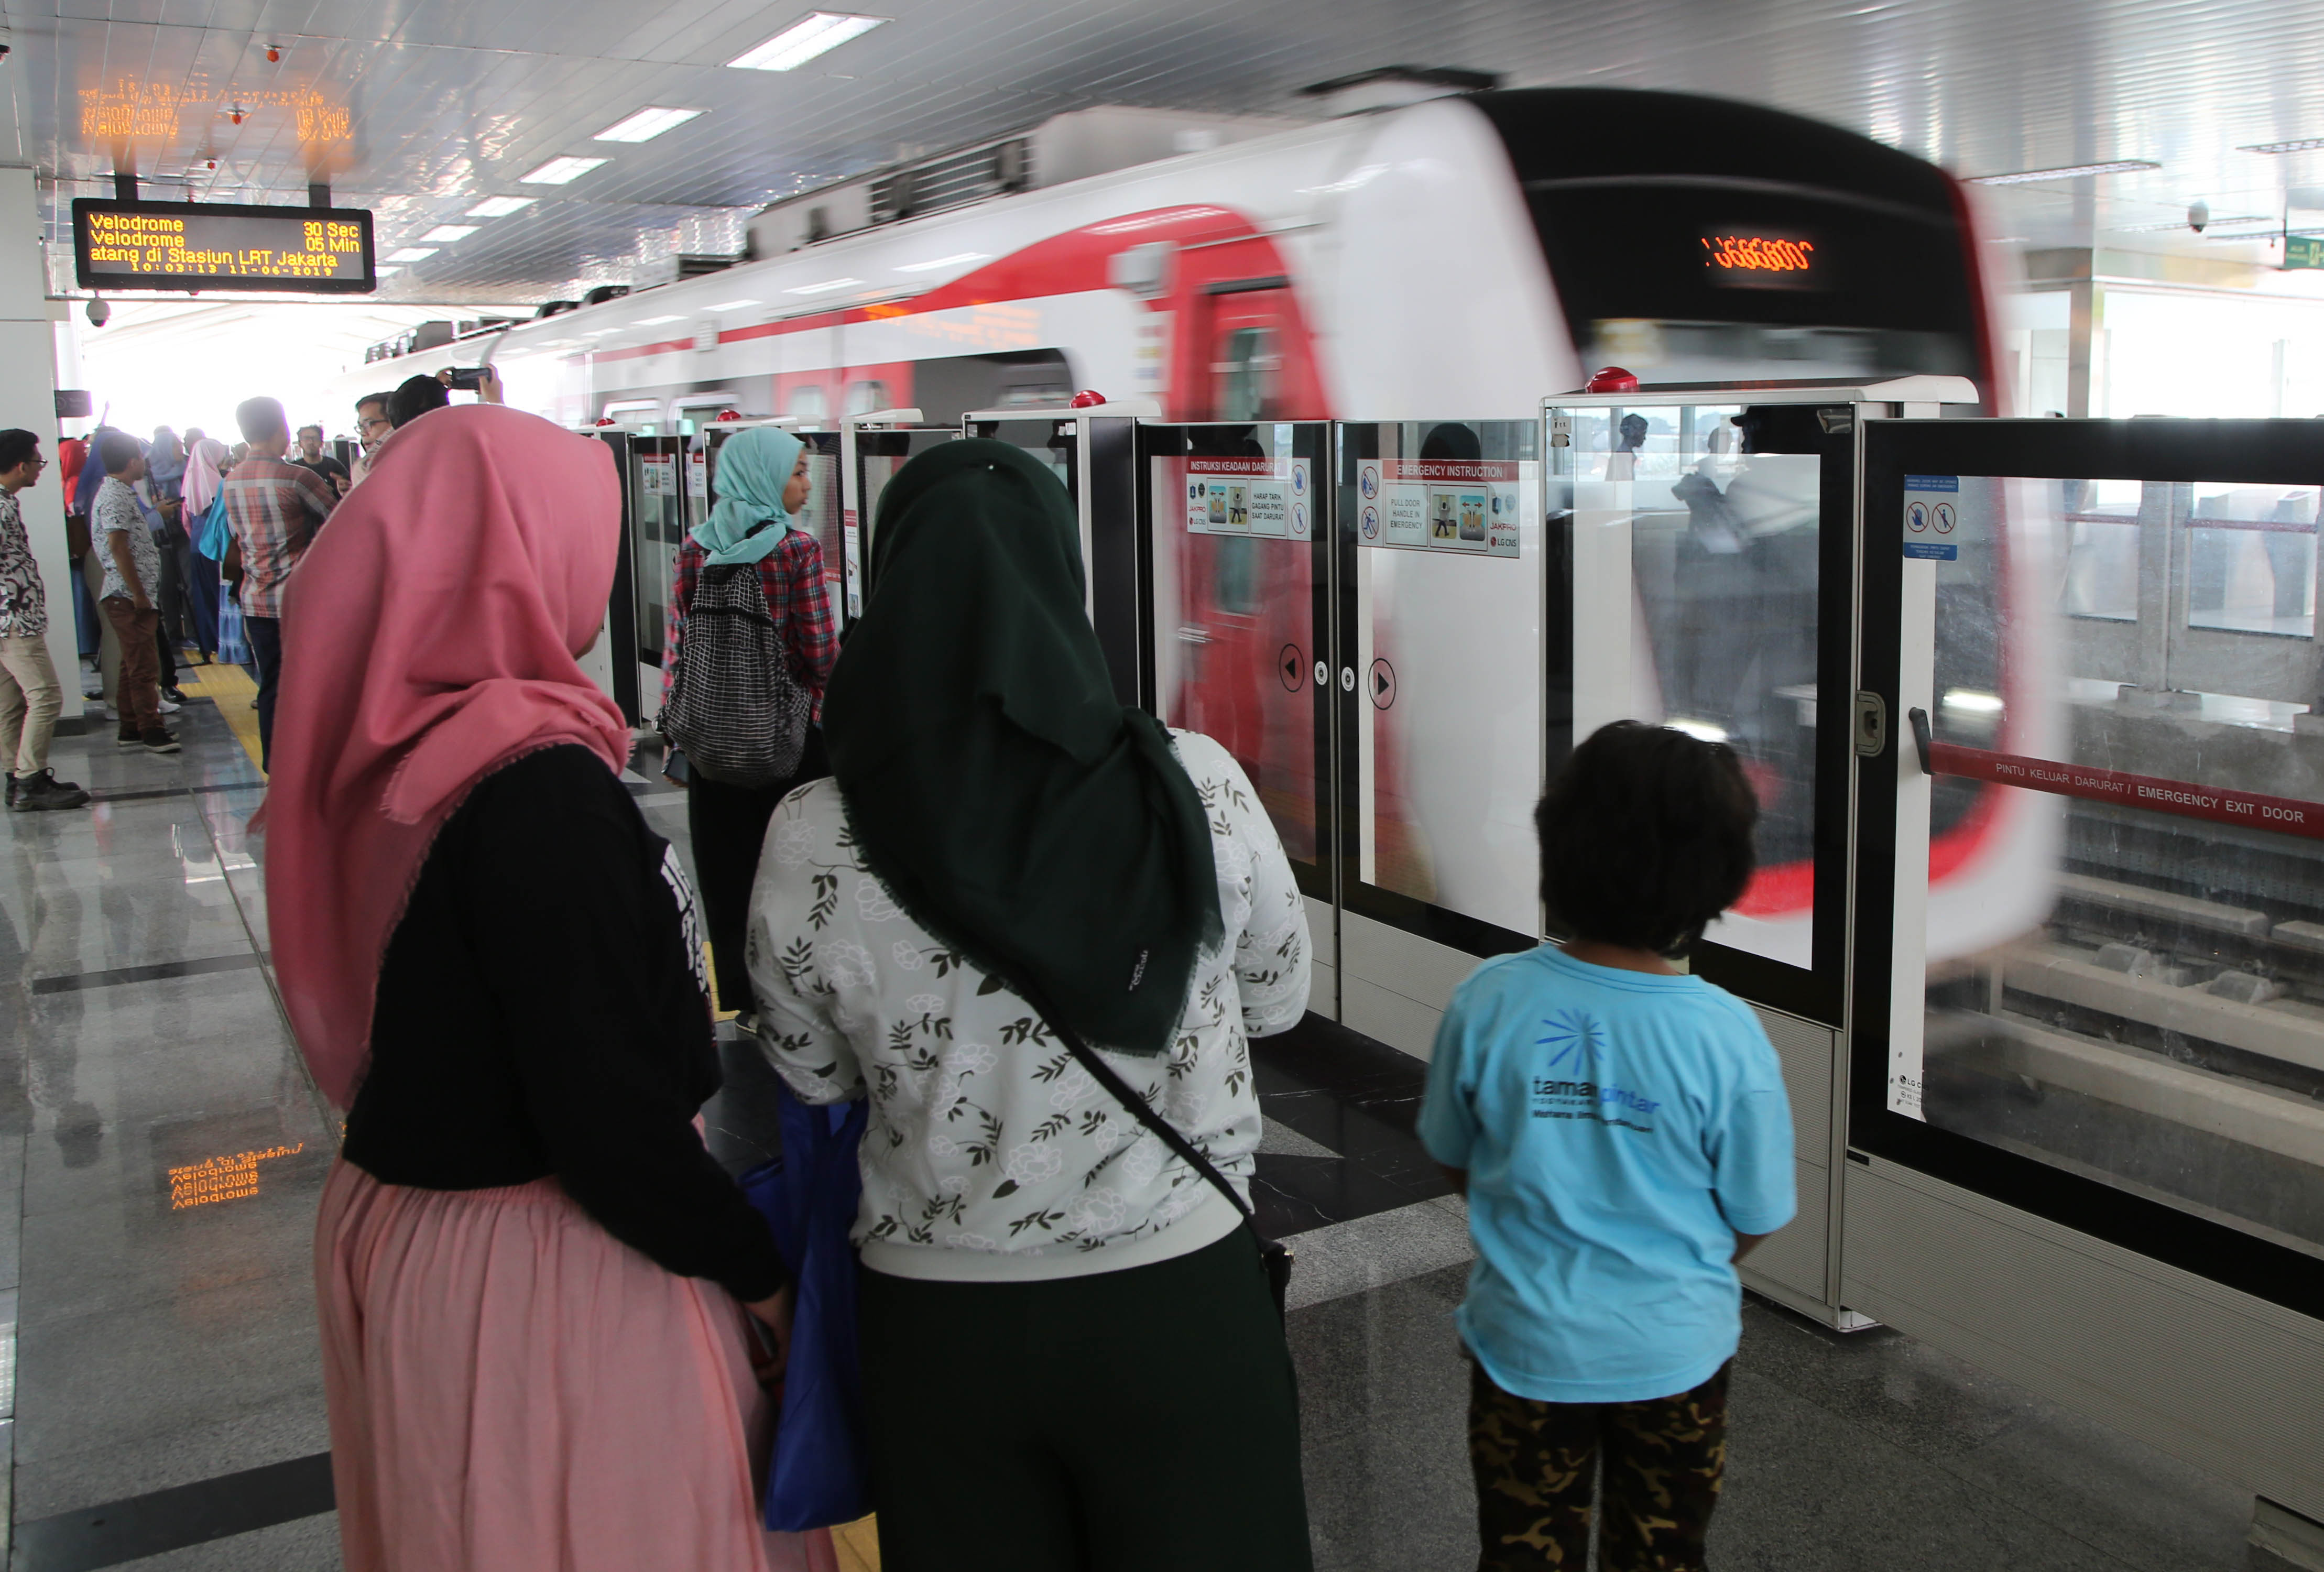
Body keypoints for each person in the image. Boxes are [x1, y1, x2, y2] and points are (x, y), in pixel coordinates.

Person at [747, 439, 1315, 1571]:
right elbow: (1278, 998)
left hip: (940, 1325)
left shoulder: (814, 829)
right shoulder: (1194, 785)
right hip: (1181, 1301)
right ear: (1063, 579)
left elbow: (809, 1072)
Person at [266, 403, 813, 1572]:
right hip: (541, 1271)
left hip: (421, 1232)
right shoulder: (535, 790)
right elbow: (606, 1116)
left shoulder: (400, 750)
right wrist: (763, 1282)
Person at [1417, 720, 1796, 1572]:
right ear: (1720, 877)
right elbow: (1755, 1213)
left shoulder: (1488, 1001)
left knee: (1521, 1554)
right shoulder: (1728, 1037)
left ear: (1559, 846)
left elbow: (1452, 1151)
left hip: (1525, 1349)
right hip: (1675, 1355)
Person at [663, 426, 836, 1030]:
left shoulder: (696, 547)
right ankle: (805, 995)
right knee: (798, 868)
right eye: (797, 472)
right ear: (764, 477)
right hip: (791, 739)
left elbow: (682, 646)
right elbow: (818, 653)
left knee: (729, 867)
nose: (806, 483)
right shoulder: (796, 551)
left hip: (715, 741)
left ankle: (746, 999)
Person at [221, 396, 334, 768]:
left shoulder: (232, 481)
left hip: (256, 601)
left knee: (272, 684)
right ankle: (311, 762)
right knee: (311, 685)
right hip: (299, 601)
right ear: (281, 429)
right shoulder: (297, 477)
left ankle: (276, 765)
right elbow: (340, 521)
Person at [0, 431, 91, 810]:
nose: (41, 468)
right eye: (39, 461)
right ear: (22, 466)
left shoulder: (6, 502)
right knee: (46, 695)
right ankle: (29, 781)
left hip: (9, 619)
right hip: (13, 620)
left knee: (11, 702)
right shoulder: (2, 507)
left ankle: (14, 776)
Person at [93, 432, 179, 754]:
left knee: (132, 664)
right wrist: (138, 594)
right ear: (132, 462)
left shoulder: (120, 492)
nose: (146, 463)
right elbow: (118, 547)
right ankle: (152, 730)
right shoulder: (115, 496)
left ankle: (130, 727)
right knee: (144, 666)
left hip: (129, 593)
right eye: (142, 458)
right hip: (127, 595)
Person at [289, 423, 351, 494]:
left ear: (322, 443)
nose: (311, 442)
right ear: (300, 443)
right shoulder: (294, 469)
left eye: (315, 438)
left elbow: (350, 486)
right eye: (306, 439)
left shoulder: (335, 465)